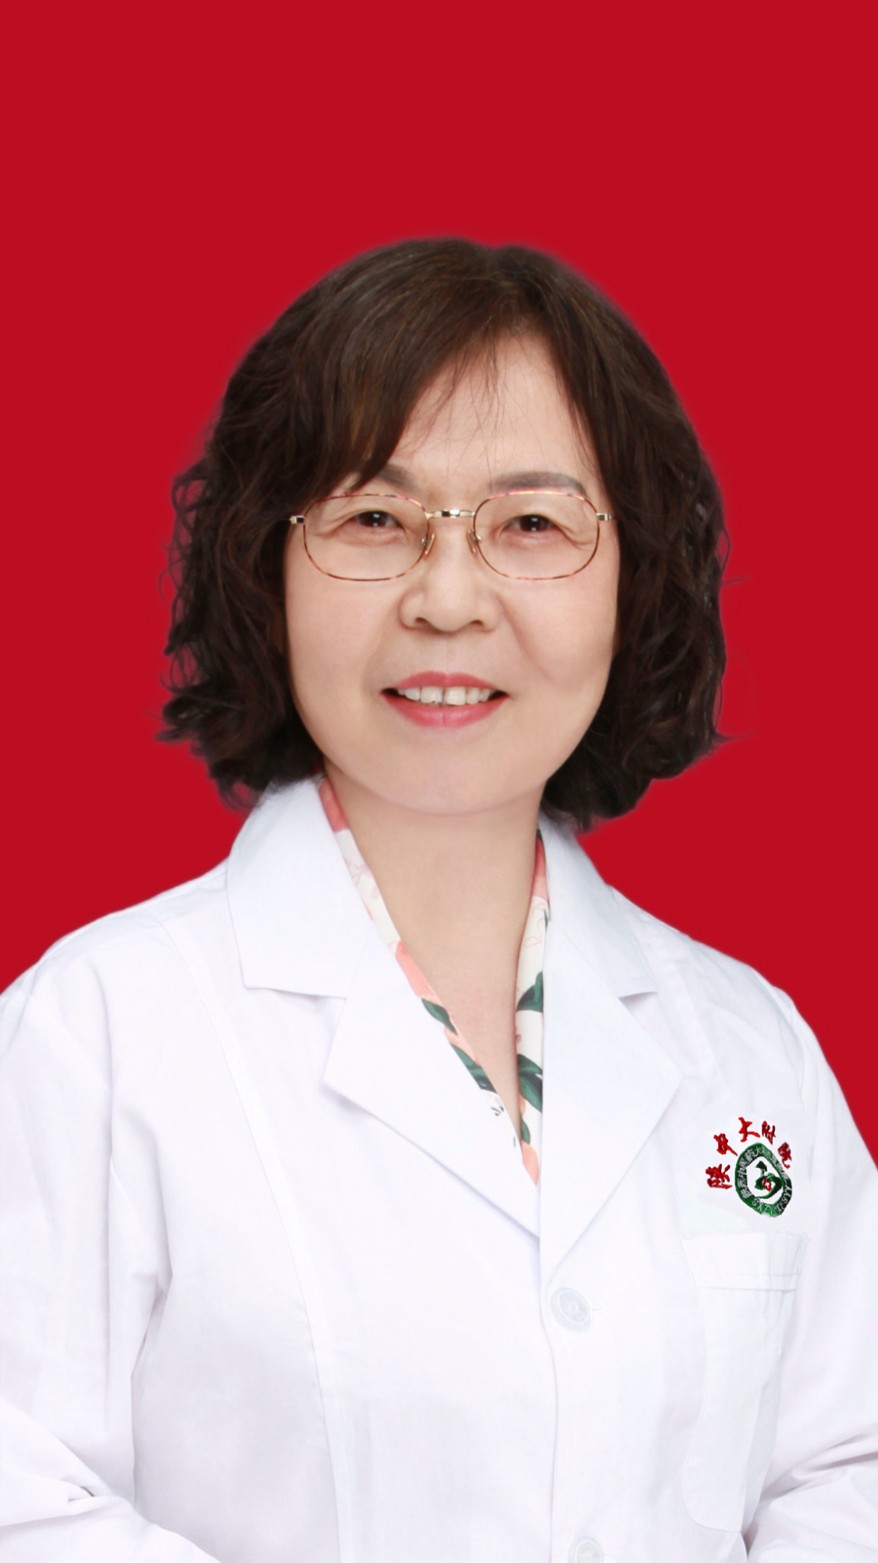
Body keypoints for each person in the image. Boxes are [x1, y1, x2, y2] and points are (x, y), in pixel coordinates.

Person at [0, 238, 875, 1563]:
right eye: (374, 521)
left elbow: (847, 1459)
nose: (449, 600)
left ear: (631, 575)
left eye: (530, 526)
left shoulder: (749, 1051)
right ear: (267, 569)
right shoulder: (94, 1037)